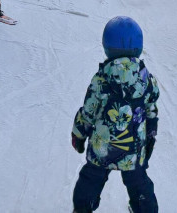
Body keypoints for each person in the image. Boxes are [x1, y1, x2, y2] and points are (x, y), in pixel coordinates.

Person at [71, 16, 159, 213]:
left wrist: (78, 134)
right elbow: (151, 110)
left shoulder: (101, 79)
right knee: (139, 183)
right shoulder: (147, 80)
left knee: (90, 179)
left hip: (102, 147)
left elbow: (89, 112)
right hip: (133, 147)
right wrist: (151, 134)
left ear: (107, 48)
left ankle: (82, 209)